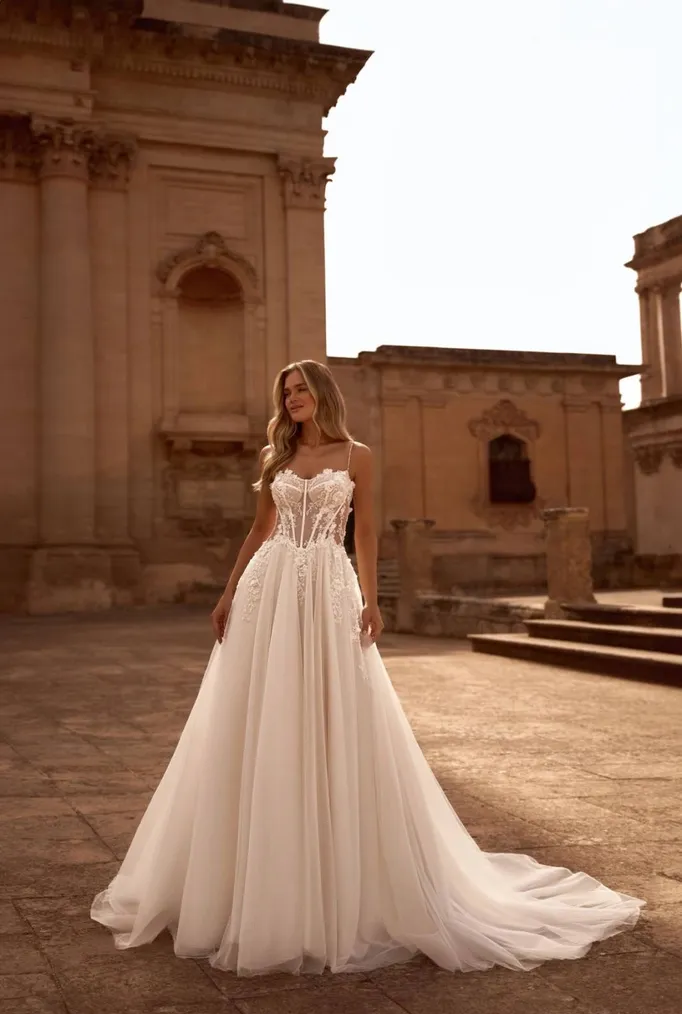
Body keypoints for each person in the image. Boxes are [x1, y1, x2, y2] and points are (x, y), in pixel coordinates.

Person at [91, 359, 644, 977]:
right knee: (253, 716)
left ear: (323, 395)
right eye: (286, 392)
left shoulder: (358, 456)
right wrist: (227, 593)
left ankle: (337, 869)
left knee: (330, 711)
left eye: (302, 389)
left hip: (327, 586)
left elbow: (366, 533)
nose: (293, 398)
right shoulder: (274, 456)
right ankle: (244, 871)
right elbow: (258, 530)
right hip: (266, 592)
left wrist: (372, 598)